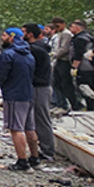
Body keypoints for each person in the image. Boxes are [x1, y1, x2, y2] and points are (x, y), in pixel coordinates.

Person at [0, 27, 39, 170]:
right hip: (28, 94)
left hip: (14, 95)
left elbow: (1, 75)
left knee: (16, 128)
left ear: (12, 37)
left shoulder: (8, 55)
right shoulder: (29, 55)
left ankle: (22, 161)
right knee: (29, 128)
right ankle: (35, 158)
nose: (2, 37)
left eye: (5, 35)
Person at [22, 24, 55, 161]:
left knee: (41, 119)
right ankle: (44, 149)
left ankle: (47, 151)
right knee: (36, 119)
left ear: (30, 34)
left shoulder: (35, 50)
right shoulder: (38, 48)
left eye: (23, 32)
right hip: (38, 86)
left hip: (39, 87)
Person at [50, 17, 80, 111]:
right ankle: (60, 103)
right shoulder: (59, 34)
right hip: (59, 60)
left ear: (63, 24)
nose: (56, 28)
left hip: (64, 61)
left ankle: (72, 104)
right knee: (56, 83)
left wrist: (54, 55)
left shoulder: (66, 34)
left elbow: (64, 49)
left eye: (57, 26)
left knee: (66, 84)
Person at [70, 20, 94, 111]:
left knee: (84, 86)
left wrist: (74, 67)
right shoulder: (89, 37)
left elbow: (78, 54)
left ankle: (92, 105)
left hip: (84, 66)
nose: (70, 29)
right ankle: (93, 104)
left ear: (77, 28)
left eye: (71, 27)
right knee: (90, 84)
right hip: (90, 65)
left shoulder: (80, 39)